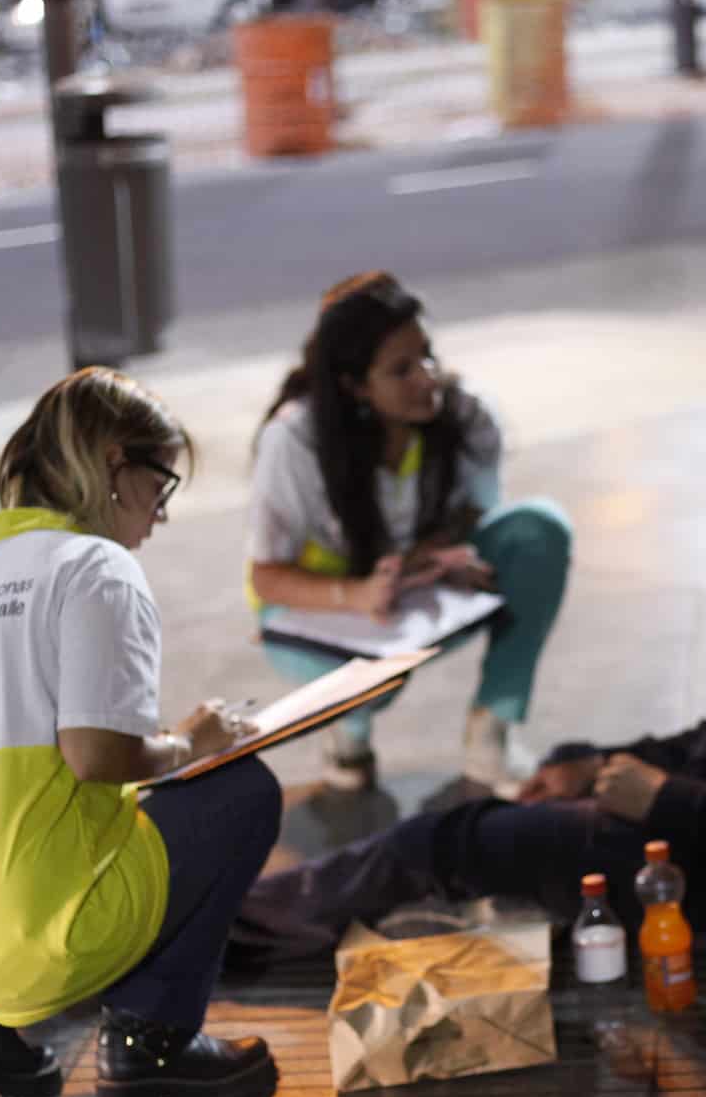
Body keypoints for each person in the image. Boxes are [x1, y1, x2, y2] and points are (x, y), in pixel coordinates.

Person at [231, 378, 706, 958]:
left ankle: (228, 926)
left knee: (440, 837)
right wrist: (610, 765)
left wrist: (657, 795)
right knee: (554, 773)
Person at [0, 367, 283, 1097]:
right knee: (241, 793)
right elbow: (96, 755)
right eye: (162, 483)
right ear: (114, 467)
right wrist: (190, 742)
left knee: (45, 816)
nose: (161, 513)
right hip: (27, 930)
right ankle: (149, 1049)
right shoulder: (99, 568)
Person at [246, 271, 573, 795]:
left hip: (416, 591)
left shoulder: (464, 411)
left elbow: (477, 505)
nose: (426, 378)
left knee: (538, 530)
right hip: (322, 612)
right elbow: (267, 577)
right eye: (401, 370)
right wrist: (359, 595)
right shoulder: (294, 441)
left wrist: (440, 552)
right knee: (371, 686)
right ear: (354, 385)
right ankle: (347, 729)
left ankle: (491, 733)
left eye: (426, 355)